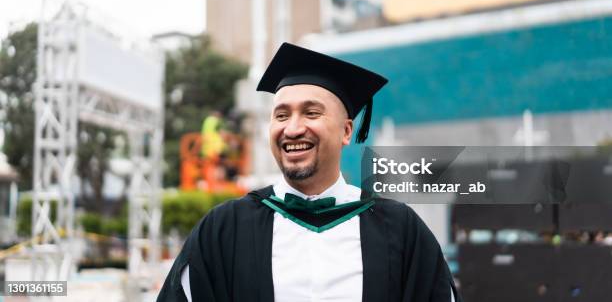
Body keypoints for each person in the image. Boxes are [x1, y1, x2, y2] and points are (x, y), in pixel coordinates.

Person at [157, 43, 462, 302]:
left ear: (346, 131)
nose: (292, 128)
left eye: (311, 113)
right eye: (281, 115)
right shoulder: (224, 229)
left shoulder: (400, 229)